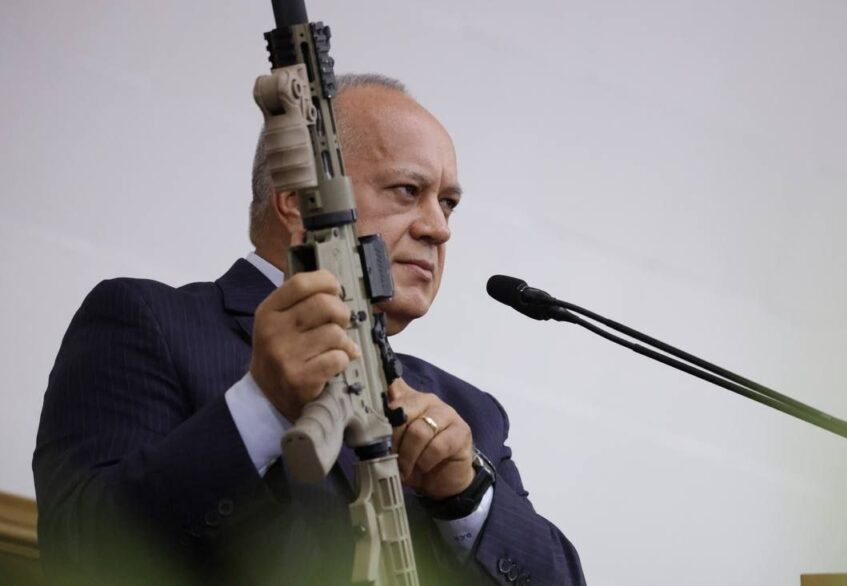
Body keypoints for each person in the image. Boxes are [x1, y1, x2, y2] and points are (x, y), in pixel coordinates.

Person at [33, 74, 585, 585]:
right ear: (298, 202)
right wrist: (260, 406)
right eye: (406, 190)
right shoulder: (149, 320)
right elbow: (82, 550)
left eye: (448, 203)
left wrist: (465, 496)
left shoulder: (470, 413)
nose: (439, 229)